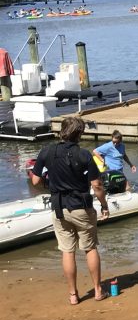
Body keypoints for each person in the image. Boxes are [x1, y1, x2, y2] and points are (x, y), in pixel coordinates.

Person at [30, 116, 110, 305]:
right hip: (81, 206)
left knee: (67, 251)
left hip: (58, 207)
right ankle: (98, 291)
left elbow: (35, 181)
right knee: (90, 248)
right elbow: (97, 185)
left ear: (62, 131)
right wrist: (104, 205)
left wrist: (51, 186)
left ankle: (73, 295)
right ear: (79, 133)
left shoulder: (46, 151)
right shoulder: (84, 155)